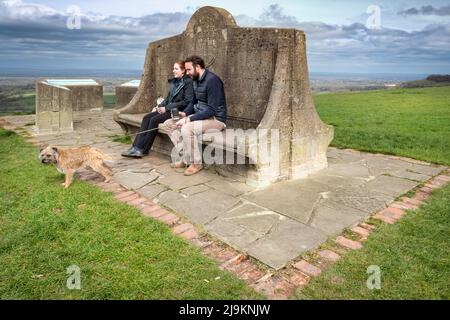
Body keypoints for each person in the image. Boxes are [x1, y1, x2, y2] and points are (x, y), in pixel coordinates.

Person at [161, 55, 227, 176]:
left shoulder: (213, 81)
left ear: (198, 67)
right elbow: (194, 102)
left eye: (189, 69)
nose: (187, 73)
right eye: (185, 70)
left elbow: (212, 110)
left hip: (216, 119)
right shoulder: (195, 80)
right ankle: (185, 158)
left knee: (186, 128)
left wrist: (189, 119)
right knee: (169, 124)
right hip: (201, 116)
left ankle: (196, 163)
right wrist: (184, 113)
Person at [121, 60, 194, 158]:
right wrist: (159, 107)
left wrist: (166, 108)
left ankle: (143, 149)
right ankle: (135, 147)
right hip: (168, 109)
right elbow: (168, 98)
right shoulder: (175, 82)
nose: (173, 71)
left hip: (177, 111)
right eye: (173, 68)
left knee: (154, 120)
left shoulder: (188, 83)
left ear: (183, 71)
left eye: (176, 69)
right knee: (147, 117)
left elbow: (186, 101)